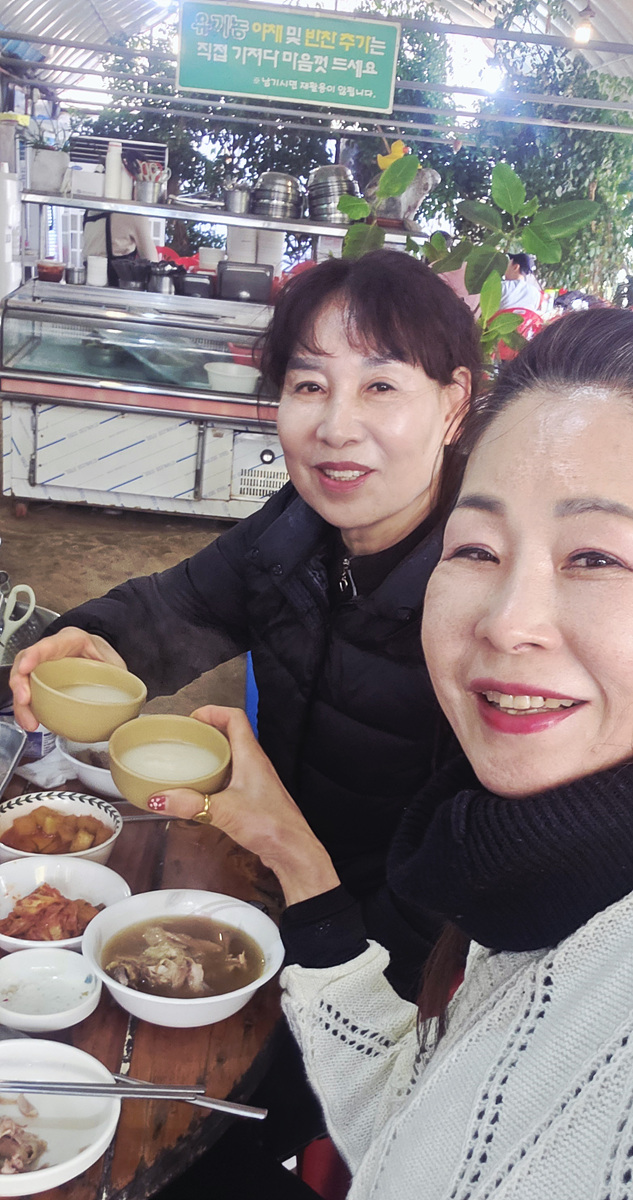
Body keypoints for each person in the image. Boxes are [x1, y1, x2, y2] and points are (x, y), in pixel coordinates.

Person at [148, 307, 633, 1198]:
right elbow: (424, 1125)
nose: (507, 623)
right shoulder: (509, 872)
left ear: (449, 408)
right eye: (476, 548)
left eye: (597, 558)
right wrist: (296, 856)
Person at [11, 249, 481, 996]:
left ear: (454, 404)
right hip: (277, 891)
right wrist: (95, 639)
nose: (336, 427)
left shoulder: (487, 601)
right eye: (309, 384)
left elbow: (468, 869)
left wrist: (338, 957)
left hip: (392, 963)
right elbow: (182, 606)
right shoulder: (296, 528)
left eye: (381, 386)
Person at [83, 209, 158, 286]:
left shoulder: (90, 211)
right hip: (119, 288)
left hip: (89, 285)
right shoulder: (133, 213)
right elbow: (152, 262)